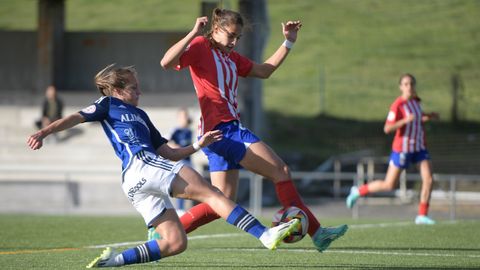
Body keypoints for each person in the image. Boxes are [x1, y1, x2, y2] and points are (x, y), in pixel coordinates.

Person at [27, 64, 299, 268]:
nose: (139, 91)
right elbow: (75, 117)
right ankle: (263, 234)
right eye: (134, 87)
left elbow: (169, 152)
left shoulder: (142, 116)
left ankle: (110, 264)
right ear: (118, 90)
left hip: (137, 180)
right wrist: (44, 133)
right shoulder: (107, 103)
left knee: (175, 243)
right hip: (142, 166)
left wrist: (198, 145)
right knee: (213, 194)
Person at [160, 8, 348, 252]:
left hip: (218, 134)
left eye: (239, 38)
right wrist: (194, 32)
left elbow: (264, 70)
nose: (235, 42)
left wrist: (288, 41)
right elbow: (166, 62)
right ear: (215, 30)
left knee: (222, 200)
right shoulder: (199, 45)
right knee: (280, 170)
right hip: (224, 129)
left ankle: (164, 234)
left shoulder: (231, 58)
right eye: (231, 36)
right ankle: (317, 233)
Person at [346, 73, 439, 225]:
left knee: (428, 179)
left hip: (420, 147)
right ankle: (358, 191)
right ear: (401, 87)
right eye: (406, 84)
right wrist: (404, 120)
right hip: (402, 149)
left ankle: (422, 215)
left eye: (412, 84)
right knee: (389, 184)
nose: (409, 87)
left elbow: (417, 118)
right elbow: (387, 128)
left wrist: (428, 117)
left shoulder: (416, 102)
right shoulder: (398, 105)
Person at [169, 108, 194, 216]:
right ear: (179, 118)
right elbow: (167, 141)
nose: (185, 118)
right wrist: (175, 147)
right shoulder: (176, 131)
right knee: (182, 185)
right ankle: (179, 209)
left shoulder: (189, 131)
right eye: (183, 116)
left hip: (188, 161)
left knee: (189, 186)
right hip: (180, 161)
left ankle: (183, 208)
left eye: (186, 116)